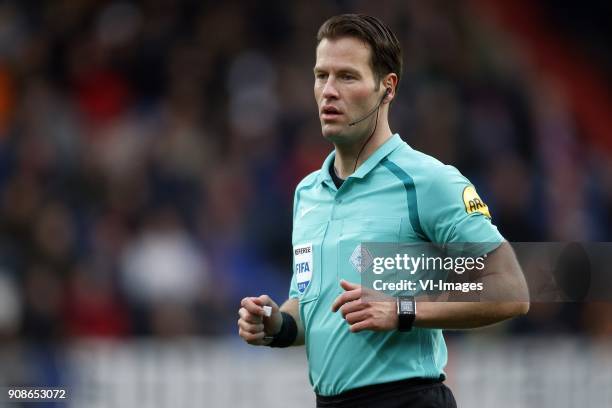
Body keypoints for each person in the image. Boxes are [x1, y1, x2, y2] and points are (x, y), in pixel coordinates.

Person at [238, 14, 529, 408]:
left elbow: (510, 289)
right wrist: (275, 322)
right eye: (321, 75)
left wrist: (402, 309)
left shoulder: (428, 182)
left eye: (347, 76)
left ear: (386, 88)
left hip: (407, 399)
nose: (328, 91)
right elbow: (311, 310)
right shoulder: (308, 192)